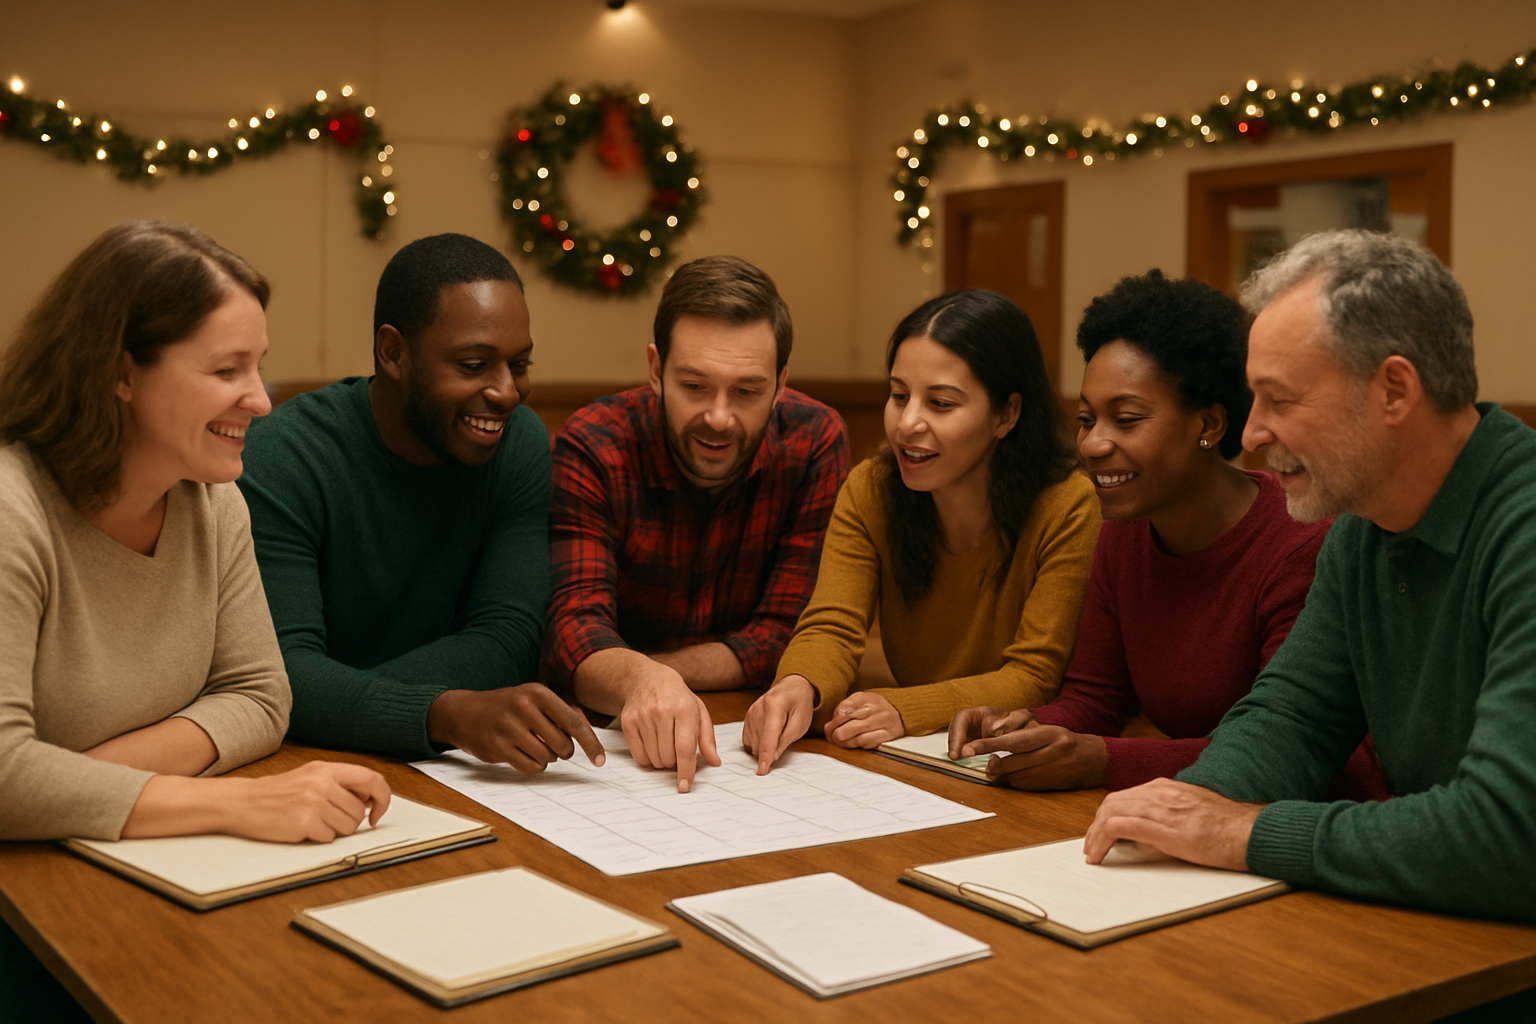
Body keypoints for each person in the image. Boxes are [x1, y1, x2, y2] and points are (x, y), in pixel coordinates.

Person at [1083, 230, 1536, 924]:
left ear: (1393, 390)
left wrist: (1242, 832)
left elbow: (1509, 835)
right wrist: (1182, 809)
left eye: (1279, 399)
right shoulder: (1360, 531)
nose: (1253, 431)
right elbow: (1292, 718)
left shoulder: (1521, 526)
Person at [0, 222, 389, 1017]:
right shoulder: (12, 511)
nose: (262, 398)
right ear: (120, 374)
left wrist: (78, 777)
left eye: (259, 364)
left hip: (119, 874)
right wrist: (239, 804)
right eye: (227, 369)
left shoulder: (215, 503)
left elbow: (258, 696)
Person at [947, 271, 1383, 797]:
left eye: (1126, 420)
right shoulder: (1124, 531)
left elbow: (1292, 746)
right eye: (1086, 419)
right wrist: (1022, 727)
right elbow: (1094, 696)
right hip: (1191, 811)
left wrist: (1102, 762)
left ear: (1209, 426)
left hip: (1314, 815)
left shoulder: (1300, 544)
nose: (1092, 444)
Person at [238, 234, 602, 770]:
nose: (506, 392)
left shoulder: (517, 442)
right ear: (393, 352)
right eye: (474, 365)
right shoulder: (284, 458)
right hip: (298, 765)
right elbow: (281, 675)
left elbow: (510, 635)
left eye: (519, 363)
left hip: (426, 764)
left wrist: (338, 699)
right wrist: (442, 713)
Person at [743, 289, 1100, 772]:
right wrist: (798, 685)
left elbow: (1035, 677)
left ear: (1006, 414)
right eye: (898, 395)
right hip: (925, 758)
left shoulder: (1067, 505)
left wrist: (904, 708)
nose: (908, 422)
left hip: (1018, 756)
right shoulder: (871, 488)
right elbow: (832, 625)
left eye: (941, 403)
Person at [544, 255, 849, 792]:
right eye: (695, 385)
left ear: (781, 385)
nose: (719, 417)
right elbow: (573, 631)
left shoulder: (815, 439)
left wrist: (655, 672)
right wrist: (643, 680)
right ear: (656, 370)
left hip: (746, 745)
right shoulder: (594, 443)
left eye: (748, 392)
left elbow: (784, 631)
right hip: (614, 748)